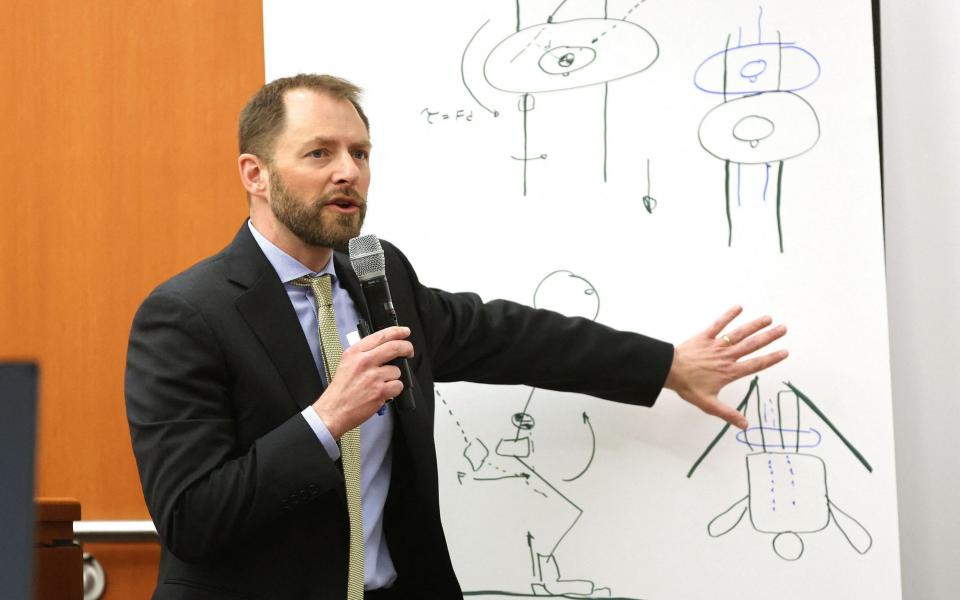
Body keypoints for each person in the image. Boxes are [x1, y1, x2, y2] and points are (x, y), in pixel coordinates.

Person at [125, 74, 787, 600]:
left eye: (360, 153)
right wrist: (326, 421)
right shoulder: (188, 315)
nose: (348, 172)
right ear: (254, 174)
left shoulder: (378, 279)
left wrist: (668, 366)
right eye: (319, 153)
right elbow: (191, 516)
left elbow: (512, 337)